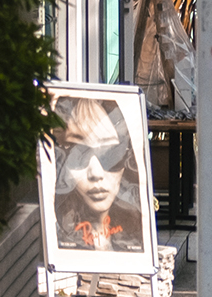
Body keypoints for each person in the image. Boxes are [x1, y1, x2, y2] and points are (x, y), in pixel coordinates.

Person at [53, 98, 146, 253]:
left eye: (110, 154)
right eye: (79, 154)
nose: (96, 174)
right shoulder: (56, 238)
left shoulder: (136, 235)